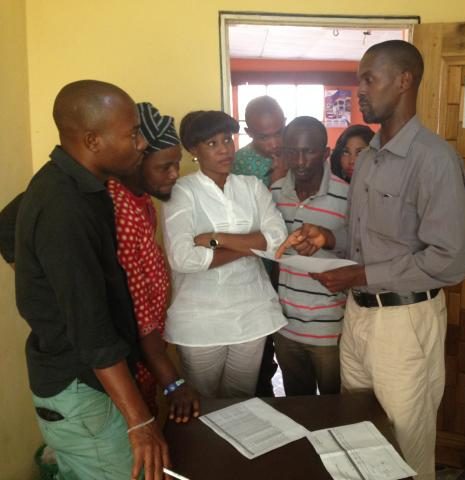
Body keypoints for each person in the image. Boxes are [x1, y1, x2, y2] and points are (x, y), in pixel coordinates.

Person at [276, 40, 465, 480]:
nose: (359, 89)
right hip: (358, 316)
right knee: (360, 433)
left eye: (369, 78)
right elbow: (362, 239)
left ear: (404, 81)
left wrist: (361, 273)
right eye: (358, 79)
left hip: (404, 321)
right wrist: (326, 236)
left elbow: (451, 259)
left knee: (406, 441)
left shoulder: (433, 159)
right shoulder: (366, 160)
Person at [14, 80, 168, 480]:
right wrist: (140, 422)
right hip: (81, 384)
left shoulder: (82, 183)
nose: (140, 144)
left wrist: (47, 283)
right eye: (132, 133)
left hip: (86, 378)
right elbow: (92, 331)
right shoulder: (63, 205)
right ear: (92, 140)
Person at [162, 110, 288, 398]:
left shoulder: (252, 187)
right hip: (200, 320)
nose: (224, 149)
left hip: (252, 313)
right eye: (212, 144)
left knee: (241, 401)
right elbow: (183, 258)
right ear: (194, 150)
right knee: (203, 403)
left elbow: (277, 243)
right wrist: (249, 248)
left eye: (227, 140)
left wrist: (217, 240)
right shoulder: (182, 191)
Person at [108, 101, 200, 423]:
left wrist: (225, 242)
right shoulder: (119, 208)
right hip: (137, 351)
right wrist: (173, 383)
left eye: (177, 164)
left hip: (154, 347)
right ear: (136, 161)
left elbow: (265, 240)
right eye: (165, 166)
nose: (175, 174)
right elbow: (188, 256)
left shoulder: (145, 199)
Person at [271, 116, 349, 395]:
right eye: (292, 151)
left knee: (335, 410)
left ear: (326, 153)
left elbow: (360, 251)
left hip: (330, 329)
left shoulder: (347, 197)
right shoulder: (275, 193)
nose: (300, 161)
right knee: (298, 408)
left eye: (309, 151)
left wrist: (328, 238)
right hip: (286, 326)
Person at [232, 95, 287, 396]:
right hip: (257, 272)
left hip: (294, 268)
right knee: (261, 352)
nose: (275, 142)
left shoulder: (298, 151)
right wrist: (274, 183)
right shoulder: (238, 164)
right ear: (250, 133)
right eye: (265, 136)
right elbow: (240, 222)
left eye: (279, 131)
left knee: (293, 345)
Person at [232, 95, 287, 187]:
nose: (274, 145)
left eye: (279, 133)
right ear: (249, 133)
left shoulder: (296, 151)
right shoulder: (239, 162)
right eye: (264, 138)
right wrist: (276, 183)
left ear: (285, 123)